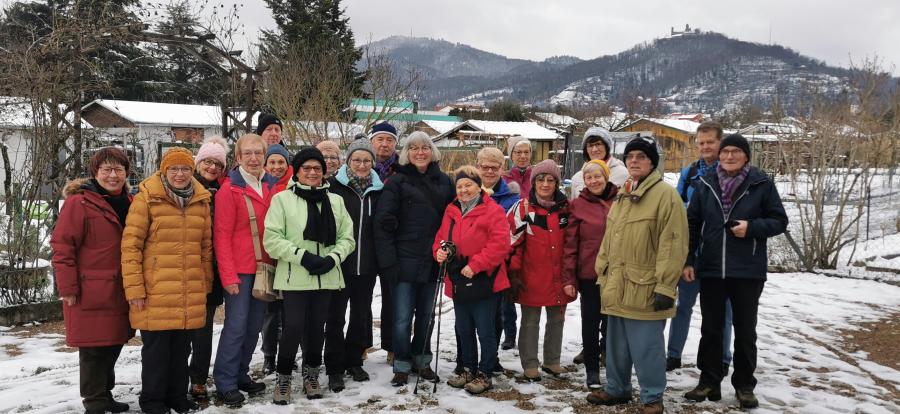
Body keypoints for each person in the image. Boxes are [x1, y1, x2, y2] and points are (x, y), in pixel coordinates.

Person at [683, 134, 788, 409]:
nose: (729, 156)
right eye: (725, 151)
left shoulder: (761, 183)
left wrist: (751, 228)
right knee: (711, 329)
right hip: (712, 267)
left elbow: (779, 220)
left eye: (736, 152)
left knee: (745, 330)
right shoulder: (705, 183)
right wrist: (689, 260)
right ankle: (709, 380)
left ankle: (743, 385)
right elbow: (692, 223)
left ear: (746, 156)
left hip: (747, 269)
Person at [586, 137, 688, 414]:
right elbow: (611, 237)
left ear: (652, 162)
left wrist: (665, 287)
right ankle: (617, 389)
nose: (634, 161)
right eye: (630, 156)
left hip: (646, 285)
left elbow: (674, 244)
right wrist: (602, 270)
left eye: (641, 156)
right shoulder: (625, 193)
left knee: (647, 347)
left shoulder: (666, 196)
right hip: (617, 282)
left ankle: (652, 397)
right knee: (616, 344)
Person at [121, 147, 214, 414]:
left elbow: (206, 249)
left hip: (189, 290)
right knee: (156, 354)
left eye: (185, 168)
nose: (180, 174)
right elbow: (130, 248)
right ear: (164, 171)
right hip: (155, 290)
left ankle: (177, 397)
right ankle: (152, 402)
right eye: (174, 169)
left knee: (181, 350)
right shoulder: (147, 199)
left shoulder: (200, 200)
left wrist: (204, 284)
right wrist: (134, 289)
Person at [264, 148, 356, 403]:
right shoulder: (282, 200)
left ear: (323, 172)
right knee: (293, 328)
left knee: (317, 328)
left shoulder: (335, 201)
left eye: (317, 168)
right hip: (296, 275)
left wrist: (333, 259)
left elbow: (347, 238)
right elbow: (272, 239)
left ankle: (312, 375)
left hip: (326, 275)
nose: (312, 173)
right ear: (297, 171)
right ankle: (283, 379)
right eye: (307, 168)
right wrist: (302, 256)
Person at [51, 148, 133, 414]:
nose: (112, 175)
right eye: (106, 170)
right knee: (93, 350)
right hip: (90, 290)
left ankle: (104, 394)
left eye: (118, 169)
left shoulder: (130, 201)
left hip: (120, 288)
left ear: (126, 173)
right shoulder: (80, 202)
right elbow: (63, 247)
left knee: (114, 343)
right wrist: (68, 287)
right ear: (95, 173)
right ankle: (94, 402)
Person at [374, 131, 454, 386]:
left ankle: (422, 360)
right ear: (407, 153)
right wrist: (388, 262)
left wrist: (449, 251)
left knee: (427, 316)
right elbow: (383, 224)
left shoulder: (444, 182)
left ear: (433, 152)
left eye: (426, 147)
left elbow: (454, 221)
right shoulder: (396, 182)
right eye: (414, 148)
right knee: (401, 318)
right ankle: (401, 364)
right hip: (403, 260)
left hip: (433, 259)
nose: (421, 152)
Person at [213, 134, 278, 406]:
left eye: (258, 154)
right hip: (240, 270)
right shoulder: (229, 190)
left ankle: (241, 374)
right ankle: (225, 381)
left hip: (265, 267)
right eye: (247, 154)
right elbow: (222, 235)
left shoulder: (272, 187)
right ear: (238, 158)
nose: (253, 159)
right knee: (236, 326)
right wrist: (228, 276)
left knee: (253, 328)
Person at [435, 165, 511, 395]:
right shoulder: (451, 211)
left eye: (468, 185)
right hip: (459, 279)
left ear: (479, 186)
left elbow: (500, 244)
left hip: (484, 280)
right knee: (463, 327)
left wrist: (476, 264)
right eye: (459, 186)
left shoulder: (493, 210)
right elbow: (441, 239)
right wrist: (438, 253)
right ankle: (467, 367)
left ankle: (485, 372)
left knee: (485, 329)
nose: (464, 190)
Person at [667, 121, 734, 373]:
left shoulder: (731, 173)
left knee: (722, 312)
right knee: (682, 307)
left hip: (722, 257)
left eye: (710, 142)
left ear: (721, 142)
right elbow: (676, 207)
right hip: (691, 253)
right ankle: (673, 355)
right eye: (701, 143)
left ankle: (723, 358)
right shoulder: (690, 173)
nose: (705, 147)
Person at [325, 138, 384, 390]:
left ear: (372, 163)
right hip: (340, 264)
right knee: (336, 317)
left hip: (367, 266)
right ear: (348, 161)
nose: (362, 165)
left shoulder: (379, 189)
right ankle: (335, 367)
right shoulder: (334, 187)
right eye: (357, 160)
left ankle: (354, 360)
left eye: (366, 160)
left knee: (361, 316)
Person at [507, 159, 574, 381]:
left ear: (556, 183)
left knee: (557, 320)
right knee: (530, 321)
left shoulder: (566, 208)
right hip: (530, 276)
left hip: (559, 275)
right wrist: (514, 274)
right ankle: (530, 364)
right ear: (534, 182)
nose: (545, 184)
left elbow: (573, 242)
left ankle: (552, 361)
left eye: (550, 180)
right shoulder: (522, 208)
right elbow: (511, 243)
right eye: (540, 179)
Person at [561, 159, 618, 390]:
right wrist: (568, 278)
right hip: (589, 273)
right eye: (589, 177)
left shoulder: (622, 200)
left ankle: (614, 367)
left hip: (617, 274)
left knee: (613, 325)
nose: (594, 181)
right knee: (591, 322)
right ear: (584, 181)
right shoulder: (577, 205)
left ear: (606, 177)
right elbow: (570, 245)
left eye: (598, 176)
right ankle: (592, 370)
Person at [187, 136, 229, 400]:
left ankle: (198, 379)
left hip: (211, 270)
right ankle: (175, 378)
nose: (212, 168)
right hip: (183, 267)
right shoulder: (184, 186)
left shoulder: (223, 193)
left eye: (217, 164)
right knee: (179, 331)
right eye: (207, 162)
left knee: (203, 328)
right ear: (198, 163)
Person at [474, 147, 518, 359]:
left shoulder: (510, 197)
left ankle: (490, 358)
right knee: (469, 315)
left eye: (495, 167)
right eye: (485, 167)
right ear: (477, 167)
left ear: (502, 169)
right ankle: (468, 356)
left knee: (495, 315)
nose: (490, 171)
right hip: (470, 263)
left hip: (498, 264)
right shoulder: (467, 190)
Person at [259, 143, 294, 375]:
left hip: (290, 258)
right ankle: (269, 355)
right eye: (272, 162)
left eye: (281, 162)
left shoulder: (294, 185)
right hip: (267, 258)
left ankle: (289, 355)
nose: (276, 166)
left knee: (291, 312)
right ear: (266, 165)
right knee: (271, 313)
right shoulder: (260, 186)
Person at [369, 121, 400, 364]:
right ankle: (361, 344)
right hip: (365, 243)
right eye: (380, 139)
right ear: (372, 142)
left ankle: (392, 345)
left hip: (393, 243)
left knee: (392, 298)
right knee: (361, 299)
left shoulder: (402, 169)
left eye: (389, 139)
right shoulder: (361, 166)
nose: (384, 143)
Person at [568, 127, 628, 198]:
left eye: (598, 144)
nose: (594, 149)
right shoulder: (577, 178)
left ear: (607, 147)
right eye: (590, 145)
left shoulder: (622, 174)